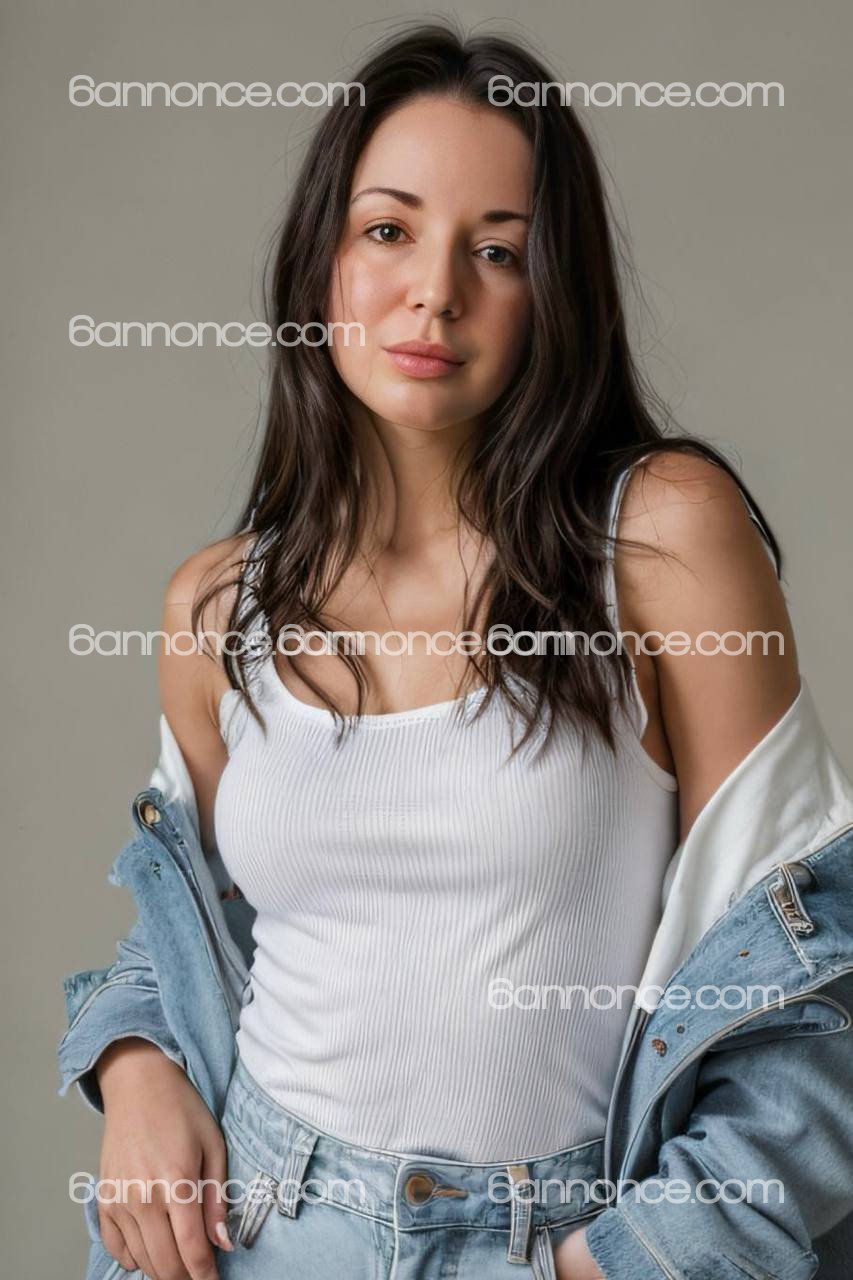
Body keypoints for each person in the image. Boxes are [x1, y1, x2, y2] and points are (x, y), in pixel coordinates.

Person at [90, 22, 814, 1280]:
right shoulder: (218, 604)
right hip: (249, 1232)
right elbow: (191, 933)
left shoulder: (658, 539)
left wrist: (616, 1258)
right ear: (321, 260)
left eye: (497, 250)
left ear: (556, 294)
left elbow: (810, 976)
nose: (435, 291)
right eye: (388, 230)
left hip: (553, 1243)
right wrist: (135, 1062)